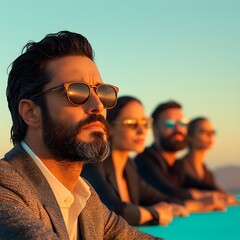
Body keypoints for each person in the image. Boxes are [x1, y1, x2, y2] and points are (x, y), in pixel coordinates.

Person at [0, 31, 160, 240]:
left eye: (103, 92)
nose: (98, 106)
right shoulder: (6, 189)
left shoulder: (85, 197)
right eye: (77, 92)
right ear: (31, 113)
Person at [82, 96, 188, 226]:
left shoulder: (129, 166)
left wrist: (175, 207)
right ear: (109, 128)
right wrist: (154, 213)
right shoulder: (93, 164)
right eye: (131, 124)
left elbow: (162, 199)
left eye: (145, 123)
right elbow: (114, 211)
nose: (141, 131)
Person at [134, 100, 226, 212]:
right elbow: (166, 190)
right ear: (155, 130)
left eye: (182, 123)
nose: (178, 129)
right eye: (170, 124)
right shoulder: (144, 160)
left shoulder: (176, 165)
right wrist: (199, 198)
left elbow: (199, 186)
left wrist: (221, 195)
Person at [177, 117, 238, 204]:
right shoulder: (177, 167)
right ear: (190, 137)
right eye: (202, 131)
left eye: (212, 132)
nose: (210, 135)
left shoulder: (208, 174)